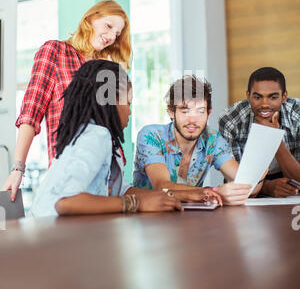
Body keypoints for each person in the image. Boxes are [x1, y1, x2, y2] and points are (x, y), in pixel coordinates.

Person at [30, 60, 221, 217]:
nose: (129, 111)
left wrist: (189, 194)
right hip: (50, 238)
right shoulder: (95, 136)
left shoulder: (101, 138)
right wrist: (135, 204)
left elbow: (123, 190)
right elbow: (65, 202)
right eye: (127, 103)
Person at [4, 0, 132, 202]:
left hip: (108, 174)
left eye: (117, 34)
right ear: (90, 18)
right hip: (70, 170)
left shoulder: (106, 69)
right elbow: (31, 112)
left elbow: (112, 125)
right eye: (108, 26)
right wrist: (18, 168)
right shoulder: (55, 51)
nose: (110, 37)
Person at [133, 75, 260, 206]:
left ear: (208, 113)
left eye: (200, 111)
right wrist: (213, 192)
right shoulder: (151, 136)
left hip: (190, 218)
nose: (192, 120)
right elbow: (162, 187)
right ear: (171, 112)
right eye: (185, 111)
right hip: (149, 217)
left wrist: (263, 146)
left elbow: (249, 186)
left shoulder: (213, 140)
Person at [219, 67, 300, 198]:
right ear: (248, 95)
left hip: (291, 186)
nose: (264, 104)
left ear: (284, 96)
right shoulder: (230, 119)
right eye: (257, 97)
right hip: (253, 190)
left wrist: (273, 137)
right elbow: (238, 181)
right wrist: (267, 187)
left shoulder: (297, 115)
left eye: (273, 97)